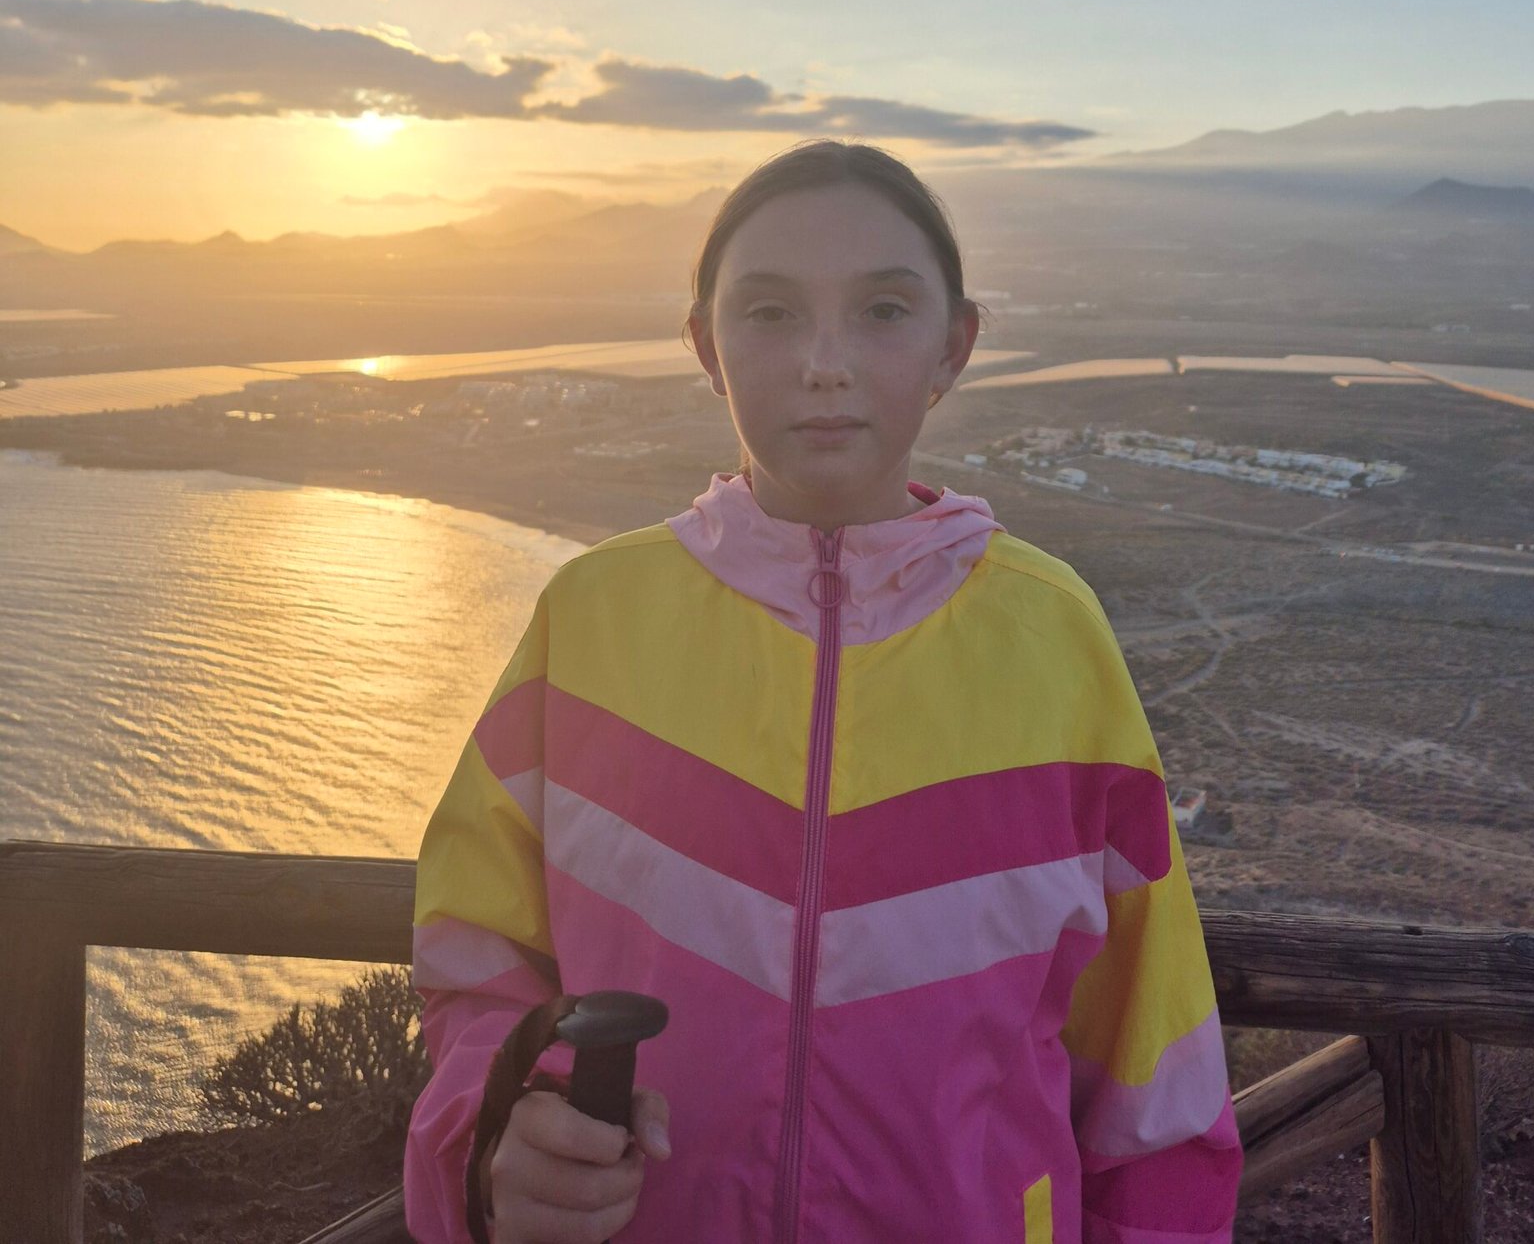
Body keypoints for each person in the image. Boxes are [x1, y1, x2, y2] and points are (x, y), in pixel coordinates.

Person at [404, 140, 1242, 1243]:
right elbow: (474, 963)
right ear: (705, 344)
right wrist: (491, 1143)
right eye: (769, 312)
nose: (824, 362)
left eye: (884, 311)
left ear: (955, 346)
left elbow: (1154, 1067)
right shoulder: (590, 622)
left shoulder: (1056, 639)